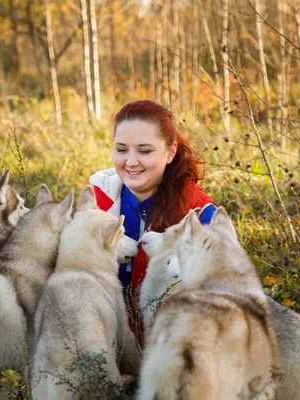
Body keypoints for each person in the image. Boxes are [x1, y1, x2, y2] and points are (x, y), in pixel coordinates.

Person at [89, 99, 217, 339]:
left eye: (144, 151)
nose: (131, 161)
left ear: (170, 152)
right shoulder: (96, 204)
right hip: (105, 351)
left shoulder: (200, 214)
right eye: (121, 149)